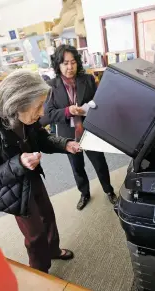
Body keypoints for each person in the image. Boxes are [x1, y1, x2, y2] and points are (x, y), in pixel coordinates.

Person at [0, 70, 80, 273]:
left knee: (48, 215)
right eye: (38, 107)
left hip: (31, 176)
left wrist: (65, 144)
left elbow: (42, 138)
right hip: (12, 188)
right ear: (16, 105)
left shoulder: (27, 116)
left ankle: (53, 250)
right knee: (35, 235)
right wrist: (18, 164)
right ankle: (40, 273)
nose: (43, 113)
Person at [42, 45, 117, 210]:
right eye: (65, 63)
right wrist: (68, 111)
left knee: (100, 163)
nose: (70, 67)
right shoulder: (51, 86)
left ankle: (109, 190)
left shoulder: (88, 80)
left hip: (89, 129)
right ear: (58, 65)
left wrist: (89, 107)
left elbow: (100, 101)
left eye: (73, 62)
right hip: (68, 134)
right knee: (77, 166)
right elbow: (48, 114)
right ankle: (84, 193)